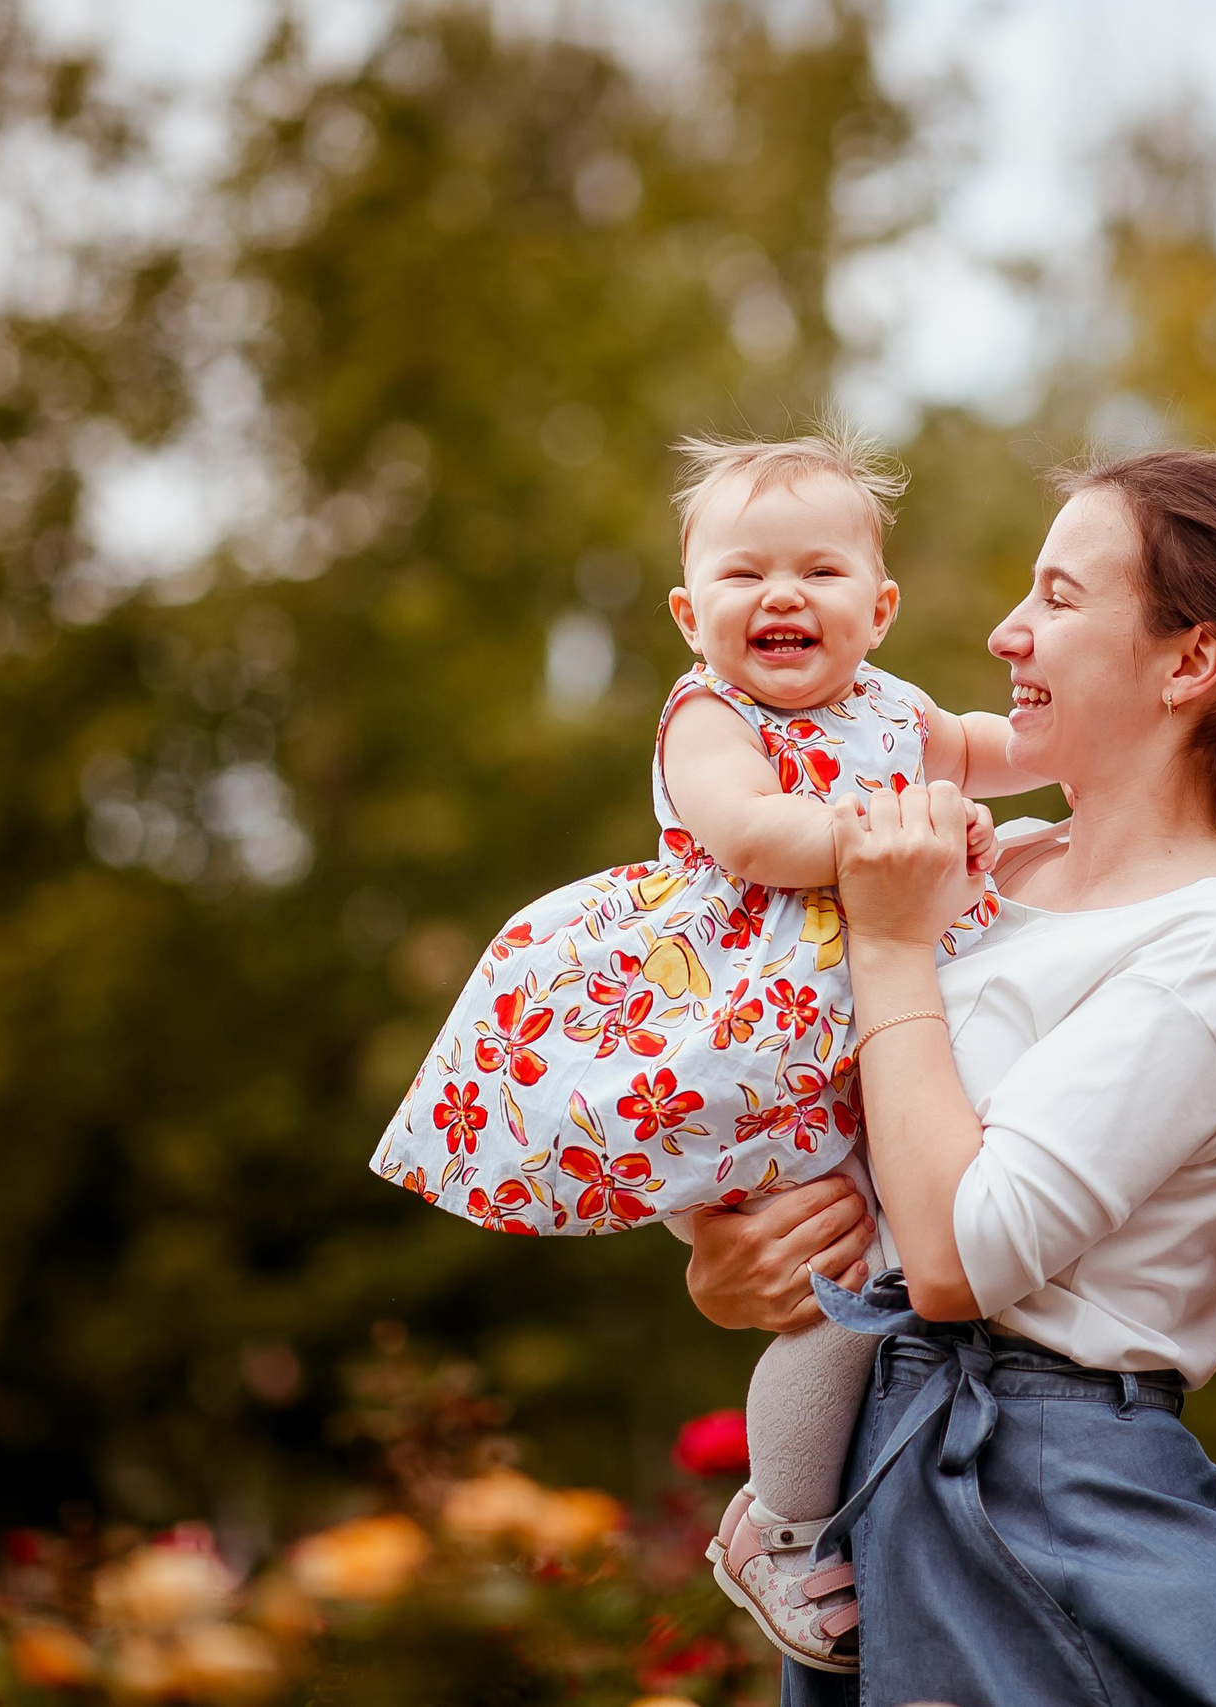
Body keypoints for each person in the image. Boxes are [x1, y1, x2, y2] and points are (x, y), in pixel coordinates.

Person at [684, 448, 1216, 1706]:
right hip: (876, 1480)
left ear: (1190, 662)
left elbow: (959, 1262)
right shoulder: (988, 864)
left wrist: (888, 941)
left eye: (1058, 598)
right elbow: (828, 1129)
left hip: (1044, 1507)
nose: (1005, 632)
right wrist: (737, 1262)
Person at [368, 426, 1045, 1670]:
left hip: (852, 1040)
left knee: (884, 1261)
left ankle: (806, 1508)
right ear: (691, 616)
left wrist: (1073, 756)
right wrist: (895, 839)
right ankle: (779, 1525)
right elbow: (749, 835)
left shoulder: (903, 714)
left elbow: (1008, 748)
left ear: (880, 609)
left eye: (820, 571)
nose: (782, 595)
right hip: (726, 1045)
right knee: (841, 1288)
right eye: (745, 574)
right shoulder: (709, 715)